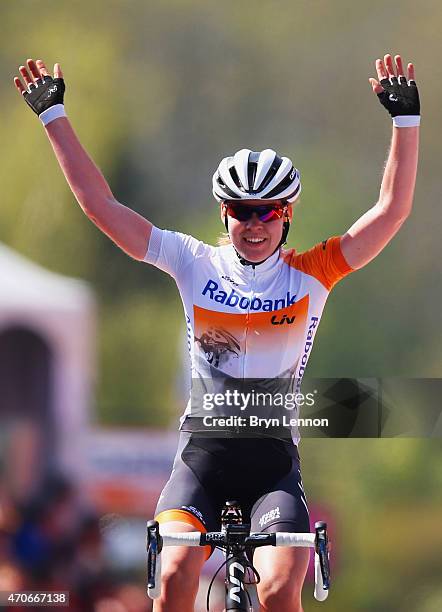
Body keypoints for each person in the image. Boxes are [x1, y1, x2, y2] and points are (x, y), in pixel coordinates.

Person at [14, 53, 420, 612]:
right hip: (201, 458)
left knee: (280, 588)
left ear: (287, 216)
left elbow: (392, 211)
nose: (253, 225)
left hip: (273, 463)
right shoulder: (193, 262)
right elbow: (101, 206)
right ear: (224, 213)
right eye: (240, 211)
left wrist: (405, 123)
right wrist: (53, 114)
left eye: (267, 212)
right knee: (177, 571)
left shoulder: (314, 272)